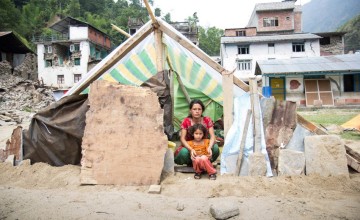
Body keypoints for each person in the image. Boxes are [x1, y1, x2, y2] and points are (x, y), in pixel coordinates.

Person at [174, 99, 219, 166]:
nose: (197, 111)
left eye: (199, 109)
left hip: (204, 147)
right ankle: (193, 163)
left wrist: (209, 147)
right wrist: (190, 149)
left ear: (202, 111)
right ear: (190, 110)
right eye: (194, 109)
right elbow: (182, 138)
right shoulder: (186, 121)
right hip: (191, 147)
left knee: (215, 148)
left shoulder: (207, 120)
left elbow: (212, 136)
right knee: (183, 152)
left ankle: (205, 162)